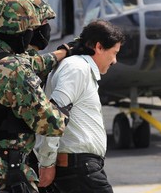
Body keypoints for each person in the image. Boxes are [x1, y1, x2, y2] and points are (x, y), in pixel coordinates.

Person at [0, 0, 90, 193]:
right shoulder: (14, 69)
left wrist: (63, 52)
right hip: (8, 171)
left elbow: (31, 63)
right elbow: (50, 124)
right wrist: (66, 104)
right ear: (20, 31)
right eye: (30, 29)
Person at [35, 19, 125, 193]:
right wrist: (47, 163)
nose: (114, 60)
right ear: (99, 47)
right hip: (78, 171)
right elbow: (53, 114)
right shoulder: (77, 68)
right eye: (114, 53)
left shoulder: (79, 68)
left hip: (79, 169)